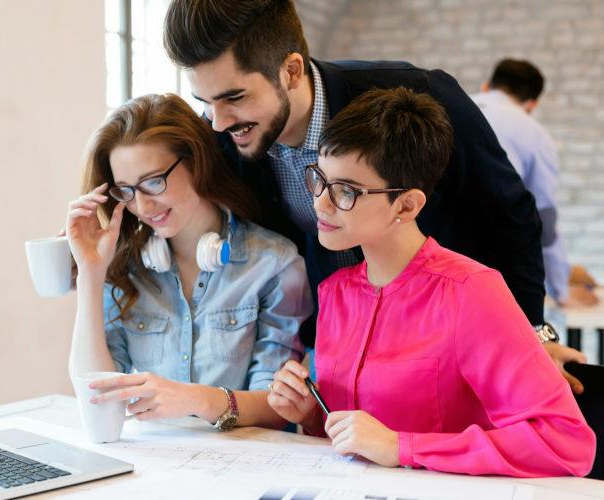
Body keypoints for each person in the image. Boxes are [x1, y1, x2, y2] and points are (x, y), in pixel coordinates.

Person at [162, 0, 586, 392]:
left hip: (451, 340)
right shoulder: (225, 138)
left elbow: (510, 214)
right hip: (334, 351)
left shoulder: (420, 99)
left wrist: (530, 333)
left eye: (234, 97)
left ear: (291, 70)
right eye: (206, 102)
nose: (218, 122)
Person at [266, 87, 595, 477]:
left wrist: (402, 445)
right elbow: (358, 441)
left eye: (346, 191)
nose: (320, 203)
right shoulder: (335, 292)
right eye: (319, 179)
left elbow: (564, 441)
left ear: (407, 205)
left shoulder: (471, 292)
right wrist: (311, 416)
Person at [65, 93, 311, 430]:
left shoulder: (273, 264)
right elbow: (96, 396)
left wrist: (195, 399)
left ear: (196, 161)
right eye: (126, 191)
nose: (143, 207)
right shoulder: (126, 269)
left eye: (154, 182)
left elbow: (277, 407)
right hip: (159, 462)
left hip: (243, 462)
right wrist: (91, 276)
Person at [472, 58, 598, 308]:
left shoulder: (449, 108)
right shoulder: (533, 134)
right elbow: (545, 220)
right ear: (532, 104)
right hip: (491, 272)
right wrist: (561, 291)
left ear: (487, 86)